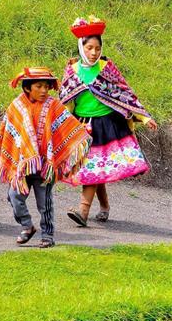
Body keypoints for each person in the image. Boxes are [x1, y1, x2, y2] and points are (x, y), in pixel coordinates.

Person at [59, 16, 158, 226]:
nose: (93, 52)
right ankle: (104, 207)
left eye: (97, 48)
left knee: (93, 167)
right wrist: (61, 125)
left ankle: (83, 211)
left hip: (106, 127)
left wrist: (144, 116)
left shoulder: (106, 68)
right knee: (94, 168)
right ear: (81, 47)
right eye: (89, 48)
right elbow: (67, 103)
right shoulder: (72, 71)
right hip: (82, 127)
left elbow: (125, 95)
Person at [0, 67, 91, 248]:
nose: (44, 90)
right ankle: (27, 226)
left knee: (44, 203)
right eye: (38, 86)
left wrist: (82, 135)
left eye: (46, 86)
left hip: (45, 166)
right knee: (13, 197)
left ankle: (47, 235)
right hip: (22, 165)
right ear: (27, 88)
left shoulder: (53, 105)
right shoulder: (16, 106)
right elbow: (8, 132)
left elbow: (67, 125)